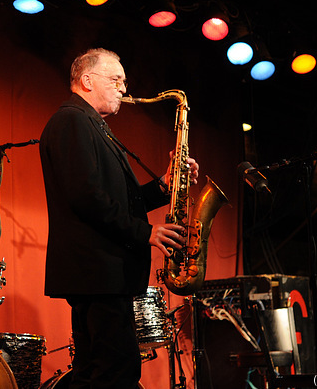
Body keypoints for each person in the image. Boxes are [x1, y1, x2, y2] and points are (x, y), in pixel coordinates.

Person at [40, 48, 199, 388]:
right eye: (116, 80)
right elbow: (86, 198)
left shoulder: (90, 124)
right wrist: (146, 233)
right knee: (118, 371)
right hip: (98, 273)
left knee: (93, 373)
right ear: (86, 80)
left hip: (99, 274)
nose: (124, 90)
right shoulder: (72, 119)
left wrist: (164, 186)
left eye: (124, 82)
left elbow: (119, 200)